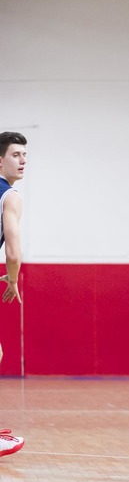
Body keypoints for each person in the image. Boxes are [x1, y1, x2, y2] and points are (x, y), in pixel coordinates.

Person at [0, 132, 27, 458]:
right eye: (16, 155)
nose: (23, 161)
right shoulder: (10, 196)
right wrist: (13, 279)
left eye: (25, 155)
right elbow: (13, 251)